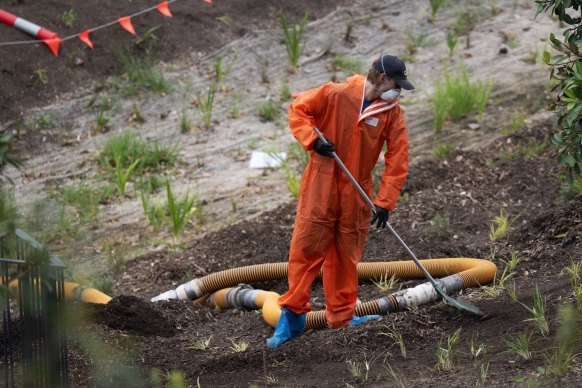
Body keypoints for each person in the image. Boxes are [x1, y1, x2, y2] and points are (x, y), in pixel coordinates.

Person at [266, 55, 413, 348]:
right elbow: (299, 109)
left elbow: (398, 158)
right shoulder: (337, 93)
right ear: (383, 79)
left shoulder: (392, 113)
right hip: (322, 183)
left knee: (346, 255)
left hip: (357, 190)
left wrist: (385, 202)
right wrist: (312, 140)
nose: (398, 91)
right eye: (397, 84)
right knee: (307, 249)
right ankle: (293, 317)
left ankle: (342, 316)